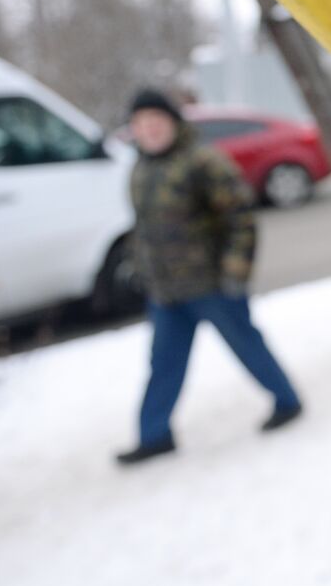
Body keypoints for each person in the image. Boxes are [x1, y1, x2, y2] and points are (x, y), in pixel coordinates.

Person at [115, 88, 302, 465]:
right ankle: (154, 435)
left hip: (213, 285)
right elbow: (144, 226)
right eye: (141, 123)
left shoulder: (203, 162)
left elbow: (241, 219)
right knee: (163, 364)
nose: (149, 130)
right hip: (167, 292)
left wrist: (235, 272)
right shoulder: (141, 168)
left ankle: (287, 401)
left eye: (156, 121)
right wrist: (138, 266)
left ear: (172, 122)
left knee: (247, 345)